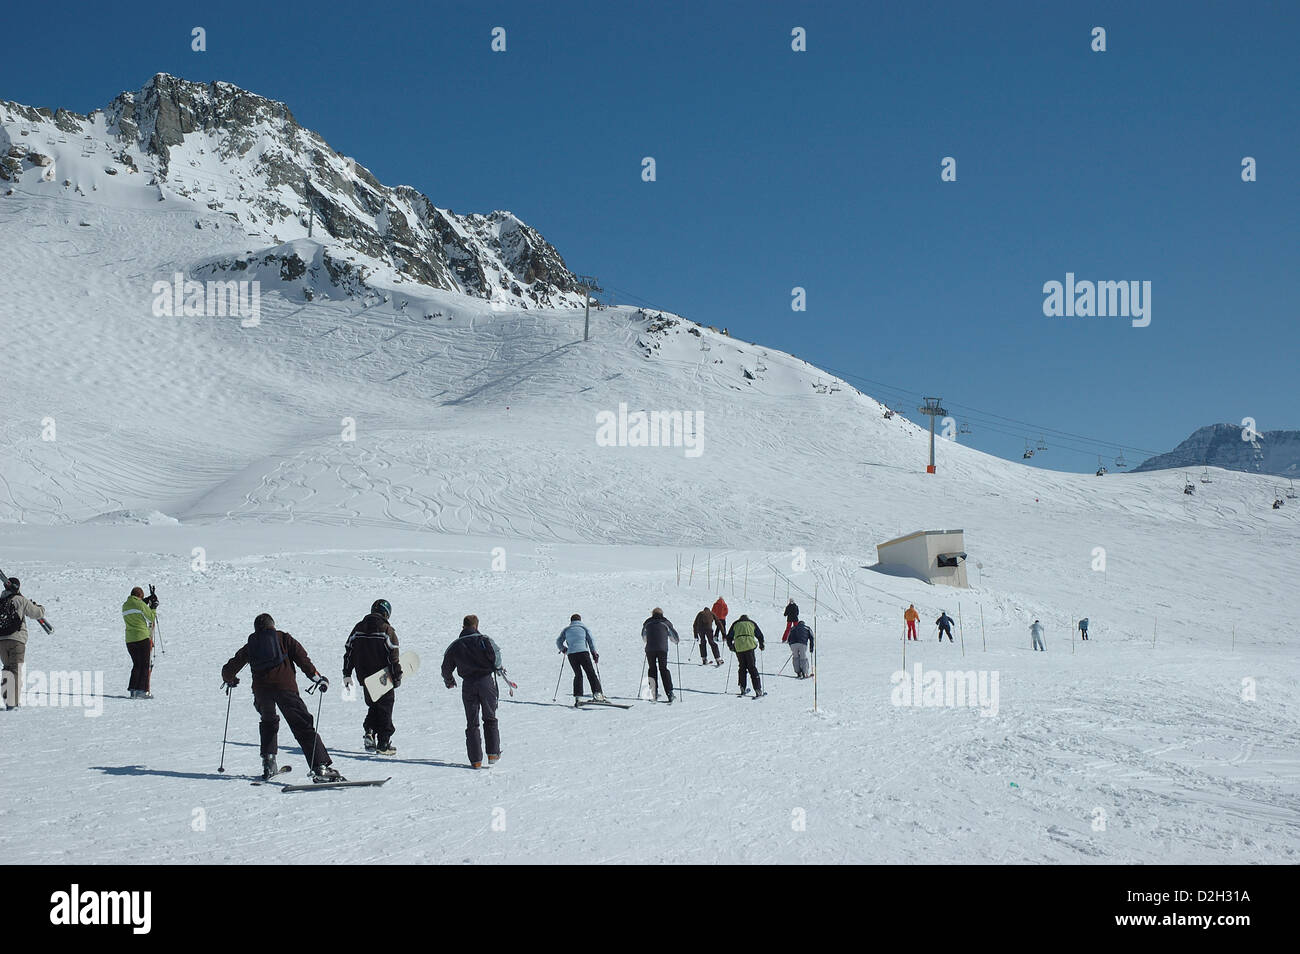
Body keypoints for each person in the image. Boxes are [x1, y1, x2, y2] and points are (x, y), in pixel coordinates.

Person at [221, 613, 341, 781]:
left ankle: (269, 764)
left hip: (261, 692)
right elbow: (303, 659)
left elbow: (230, 668)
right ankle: (320, 767)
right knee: (302, 726)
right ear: (273, 625)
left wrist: (230, 679)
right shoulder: (283, 638)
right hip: (285, 688)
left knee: (268, 722)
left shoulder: (251, 644)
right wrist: (317, 678)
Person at [441, 615, 503, 768]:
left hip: (468, 684)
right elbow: (497, 658)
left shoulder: (456, 644)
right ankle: (493, 754)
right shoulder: (484, 639)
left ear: (463, 627)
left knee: (472, 722)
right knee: (490, 717)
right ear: (476, 625)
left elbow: (446, 666)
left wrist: (449, 680)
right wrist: (497, 668)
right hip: (486, 681)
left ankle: (476, 761)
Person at [343, 599, 401, 755]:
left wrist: (347, 673)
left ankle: (369, 730)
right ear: (386, 613)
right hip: (383, 676)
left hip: (364, 676)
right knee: (386, 706)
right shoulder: (386, 630)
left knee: (375, 706)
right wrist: (396, 676)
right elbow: (393, 655)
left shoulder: (358, 628)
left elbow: (349, 651)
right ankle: (383, 743)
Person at [0, 578, 46, 710]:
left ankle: (8, 700)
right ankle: (12, 704)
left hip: (1, 640)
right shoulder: (20, 600)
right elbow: (37, 613)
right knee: (15, 671)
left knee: (7, 668)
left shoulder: (1, 601)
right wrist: (39, 607)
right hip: (17, 640)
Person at [557, 613, 606, 705]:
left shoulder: (567, 630)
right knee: (591, 673)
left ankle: (578, 697)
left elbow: (558, 641)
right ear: (580, 620)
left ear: (571, 621)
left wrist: (563, 649)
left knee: (578, 675)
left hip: (571, 655)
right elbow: (591, 641)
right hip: (583, 653)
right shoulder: (584, 628)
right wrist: (594, 653)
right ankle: (597, 694)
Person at [121, 586, 158, 699]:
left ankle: (133, 690)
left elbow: (137, 607)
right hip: (142, 637)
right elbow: (151, 617)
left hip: (130, 640)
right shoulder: (141, 604)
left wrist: (145, 601)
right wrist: (153, 607)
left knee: (137, 664)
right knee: (145, 664)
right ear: (140, 596)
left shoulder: (125, 605)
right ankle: (142, 690)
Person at [641, 608, 680, 703]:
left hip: (650, 649)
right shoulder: (665, 622)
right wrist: (676, 641)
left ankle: (653, 693)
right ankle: (669, 693)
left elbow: (643, 636)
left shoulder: (647, 622)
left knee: (652, 668)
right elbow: (674, 636)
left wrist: (648, 642)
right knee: (663, 669)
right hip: (662, 649)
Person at [726, 614, 766, 697]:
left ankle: (742, 687)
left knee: (742, 667)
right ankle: (758, 689)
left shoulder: (736, 624)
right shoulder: (751, 623)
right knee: (752, 667)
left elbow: (729, 636)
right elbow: (759, 635)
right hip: (749, 646)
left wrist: (731, 646)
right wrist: (761, 644)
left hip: (739, 647)